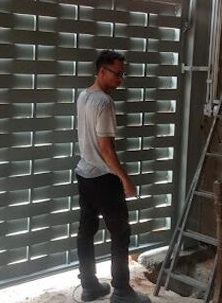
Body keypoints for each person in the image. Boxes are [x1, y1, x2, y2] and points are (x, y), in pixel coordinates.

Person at [75, 50, 151, 303]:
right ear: (102, 71)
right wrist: (125, 179)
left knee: (87, 229)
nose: (120, 79)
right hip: (103, 178)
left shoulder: (84, 96)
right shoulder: (104, 102)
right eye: (117, 74)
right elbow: (106, 148)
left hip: (85, 174)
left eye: (122, 74)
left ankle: (89, 286)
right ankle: (121, 291)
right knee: (120, 233)